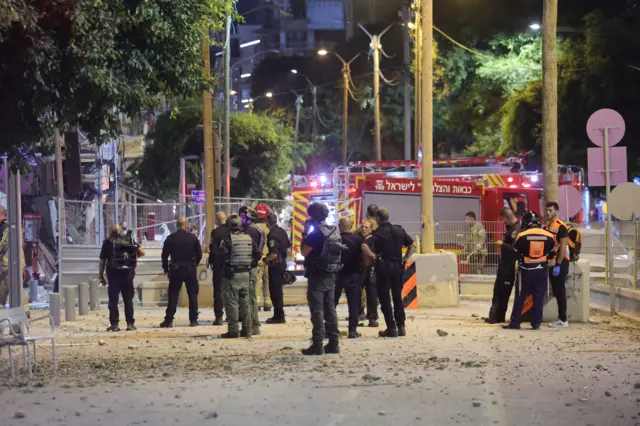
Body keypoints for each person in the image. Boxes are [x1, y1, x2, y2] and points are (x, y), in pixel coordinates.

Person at [362, 208, 416, 338]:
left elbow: (364, 245)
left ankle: (391, 328)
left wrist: (373, 256)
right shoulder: (399, 230)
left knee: (385, 298)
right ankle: (401, 326)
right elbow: (413, 246)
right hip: (398, 268)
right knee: (397, 297)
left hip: (384, 268)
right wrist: (405, 258)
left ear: (378, 219)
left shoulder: (378, 233)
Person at [300, 202, 341, 355]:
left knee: (317, 310)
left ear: (313, 216)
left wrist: (305, 233)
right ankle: (334, 343)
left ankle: (317, 344)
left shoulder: (315, 234)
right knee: (330, 309)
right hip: (331, 273)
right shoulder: (334, 231)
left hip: (317, 275)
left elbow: (304, 252)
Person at [503, 211, 556, 330]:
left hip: (525, 271)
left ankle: (515, 322)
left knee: (521, 296)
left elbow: (516, 253)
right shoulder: (549, 236)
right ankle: (536, 323)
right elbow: (551, 252)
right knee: (539, 297)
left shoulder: (521, 236)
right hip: (541, 270)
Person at [99, 224, 145, 331]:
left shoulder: (107, 243)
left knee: (113, 300)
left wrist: (101, 276)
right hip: (128, 274)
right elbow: (142, 252)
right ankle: (130, 324)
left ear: (111, 232)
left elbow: (102, 261)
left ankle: (114, 325)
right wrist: (133, 258)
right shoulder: (129, 241)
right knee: (128, 300)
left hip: (114, 274)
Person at [160, 217, 202, 328]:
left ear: (177, 225)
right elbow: (199, 254)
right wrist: (195, 264)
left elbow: (164, 255)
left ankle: (168, 320)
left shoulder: (170, 238)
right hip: (190, 268)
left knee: (173, 294)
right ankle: (193, 320)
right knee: (192, 295)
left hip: (176, 268)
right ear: (186, 225)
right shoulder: (192, 238)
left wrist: (166, 269)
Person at [219, 214, 254, 338]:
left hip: (232, 275)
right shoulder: (248, 238)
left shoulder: (227, 240)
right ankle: (247, 329)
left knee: (232, 303)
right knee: (245, 303)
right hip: (246, 274)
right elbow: (258, 253)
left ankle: (233, 330)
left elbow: (221, 256)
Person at [485, 208, 521, 324]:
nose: (503, 222)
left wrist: (502, 245)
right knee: (498, 290)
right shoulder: (512, 228)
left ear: (506, 217)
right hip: (504, 265)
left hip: (509, 266)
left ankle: (496, 317)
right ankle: (495, 316)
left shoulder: (517, 229)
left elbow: (516, 249)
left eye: (503, 220)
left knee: (503, 292)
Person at [334, 217, 364, 338]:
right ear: (351, 226)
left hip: (337, 275)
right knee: (354, 303)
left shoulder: (335, 239)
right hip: (353, 274)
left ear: (339, 226)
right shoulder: (358, 239)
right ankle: (352, 330)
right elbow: (364, 255)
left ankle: (331, 329)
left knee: (332, 303)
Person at [239, 206, 266, 336]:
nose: (240, 219)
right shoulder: (257, 229)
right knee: (250, 297)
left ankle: (252, 326)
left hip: (249, 266)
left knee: (248, 298)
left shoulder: (250, 231)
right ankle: (251, 325)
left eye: (242, 216)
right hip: (252, 265)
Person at [544, 202, 570, 328]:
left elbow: (563, 247)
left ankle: (563, 320)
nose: (548, 212)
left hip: (560, 262)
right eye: (547, 210)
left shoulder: (561, 226)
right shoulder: (547, 226)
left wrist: (558, 265)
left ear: (556, 211)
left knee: (560, 291)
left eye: (550, 210)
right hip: (552, 263)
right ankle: (561, 319)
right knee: (556, 291)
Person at [263, 212, 289, 324]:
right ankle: (279, 314)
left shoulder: (272, 234)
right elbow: (287, 245)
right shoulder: (282, 231)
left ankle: (279, 315)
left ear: (267, 223)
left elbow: (273, 254)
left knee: (275, 291)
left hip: (275, 265)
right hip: (282, 263)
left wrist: (266, 259)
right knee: (278, 290)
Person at [208, 212, 229, 326]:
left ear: (217, 220)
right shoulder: (231, 230)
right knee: (231, 292)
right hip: (230, 265)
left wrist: (211, 261)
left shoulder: (215, 232)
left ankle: (219, 317)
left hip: (218, 266)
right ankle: (232, 316)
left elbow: (213, 249)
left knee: (218, 291)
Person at [360, 219, 378, 327]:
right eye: (362, 226)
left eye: (366, 227)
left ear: (371, 229)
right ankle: (358, 314)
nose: (363, 228)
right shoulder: (357, 239)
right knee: (357, 294)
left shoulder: (373, 241)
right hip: (360, 270)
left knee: (372, 294)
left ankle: (372, 318)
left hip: (371, 270)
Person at [254, 204, 272, 312]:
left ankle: (257, 304)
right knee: (267, 281)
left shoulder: (254, 228)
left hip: (259, 258)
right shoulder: (269, 228)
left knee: (257, 281)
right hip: (269, 258)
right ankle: (268, 304)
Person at [0, 206, 9, 307]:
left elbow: (8, 248)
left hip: (7, 266)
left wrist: (6, 264)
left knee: (9, 286)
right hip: (4, 265)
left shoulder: (6, 230)